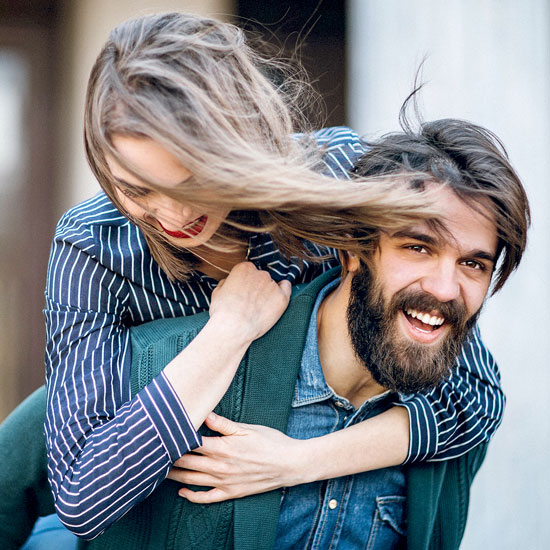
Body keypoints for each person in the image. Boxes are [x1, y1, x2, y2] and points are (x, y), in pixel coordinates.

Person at [42, 11, 505, 542]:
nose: (171, 216)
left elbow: (476, 394)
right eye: (138, 190)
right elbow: (80, 493)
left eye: (194, 180)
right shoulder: (93, 245)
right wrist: (228, 331)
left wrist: (297, 462)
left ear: (243, 140)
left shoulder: (334, 175)